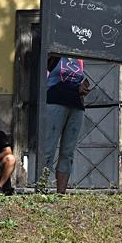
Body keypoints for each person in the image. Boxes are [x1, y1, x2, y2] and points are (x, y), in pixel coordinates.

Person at [41, 54, 89, 194]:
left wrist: (83, 86)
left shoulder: (78, 58)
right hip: (55, 102)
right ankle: (41, 188)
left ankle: (61, 192)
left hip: (76, 104)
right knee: (48, 149)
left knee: (68, 153)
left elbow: (78, 79)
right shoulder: (54, 54)